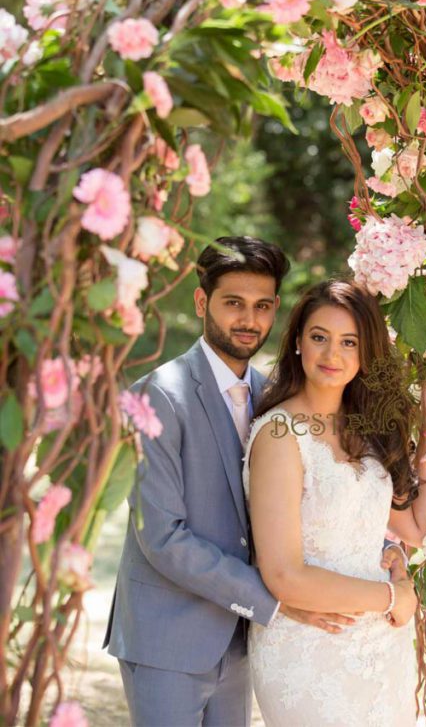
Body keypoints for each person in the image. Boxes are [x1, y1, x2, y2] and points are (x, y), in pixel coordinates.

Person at [104, 237, 406, 726]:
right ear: (202, 303)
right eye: (233, 304)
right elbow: (161, 536)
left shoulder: (272, 396)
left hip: (244, 640)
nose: (249, 320)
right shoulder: (160, 396)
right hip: (169, 636)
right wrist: (278, 600)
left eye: (263, 306)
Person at [243, 279, 426, 726]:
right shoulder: (279, 435)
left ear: (365, 353)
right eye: (320, 338)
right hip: (309, 646)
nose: (332, 355)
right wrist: (394, 597)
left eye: (348, 342)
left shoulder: (366, 428)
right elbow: (282, 574)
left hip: (381, 648)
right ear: (298, 342)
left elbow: (414, 528)